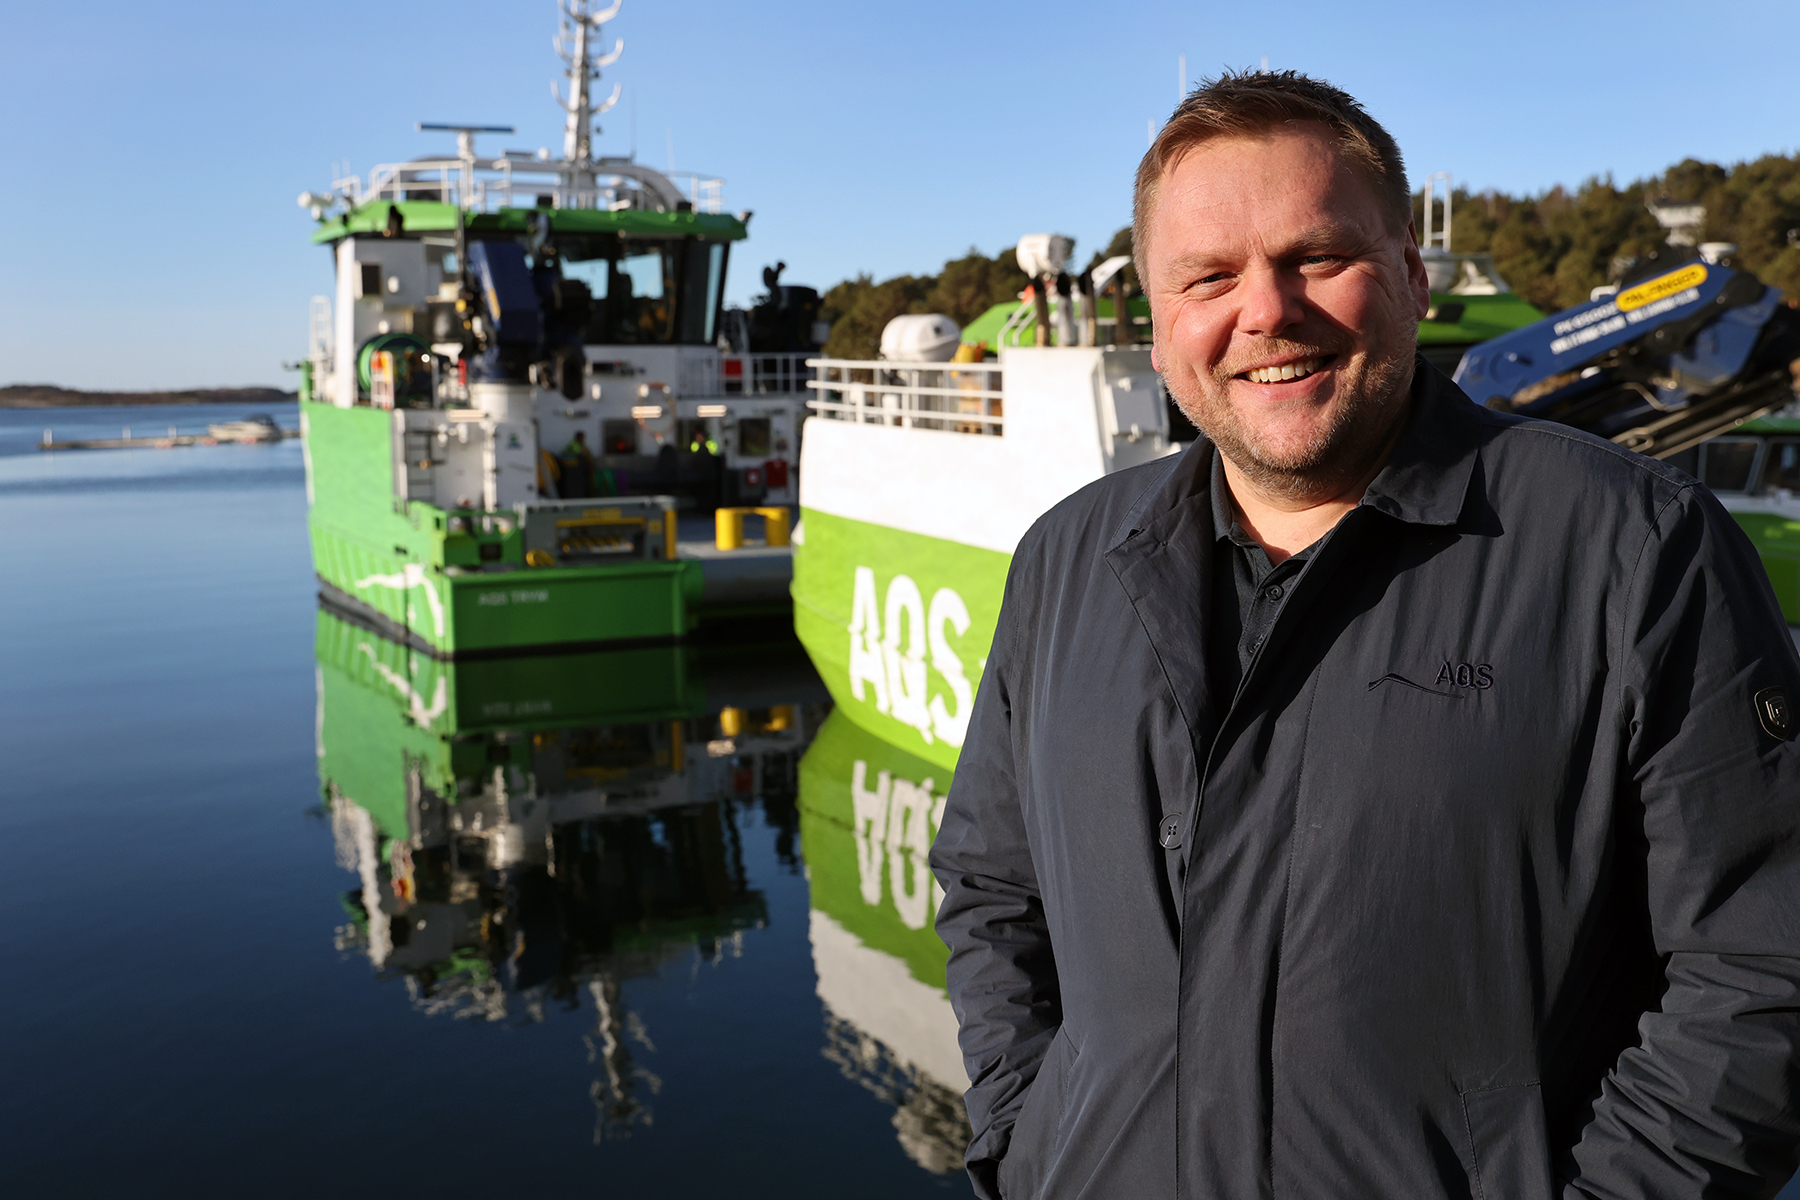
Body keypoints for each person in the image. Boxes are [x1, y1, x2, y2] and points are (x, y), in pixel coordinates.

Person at [930, 70, 1800, 1200]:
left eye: (1316, 257)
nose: (1265, 311)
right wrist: (1026, 1142)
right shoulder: (1065, 561)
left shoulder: (1636, 550)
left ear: (1411, 275)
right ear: (1157, 323)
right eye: (1208, 276)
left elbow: (1761, 965)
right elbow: (992, 887)